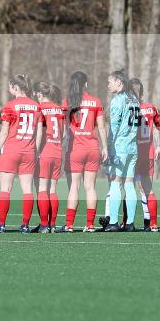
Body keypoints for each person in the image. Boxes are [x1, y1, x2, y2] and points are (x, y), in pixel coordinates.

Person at [57, 71, 107, 233]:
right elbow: (101, 127)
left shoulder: (67, 102)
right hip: (92, 149)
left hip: (74, 150)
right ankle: (90, 224)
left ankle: (69, 225)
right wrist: (105, 147)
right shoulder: (96, 101)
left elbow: (62, 129)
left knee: (73, 188)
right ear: (86, 84)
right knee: (90, 187)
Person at [0, 74, 40, 233]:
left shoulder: (10, 106)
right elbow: (38, 131)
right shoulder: (36, 106)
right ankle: (25, 225)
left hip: (12, 150)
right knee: (27, 189)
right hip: (29, 151)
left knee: (5, 188)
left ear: (15, 87)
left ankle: (1, 225)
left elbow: (4, 130)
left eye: (10, 86)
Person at [104, 70, 141, 232]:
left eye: (110, 81)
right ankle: (130, 223)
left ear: (119, 82)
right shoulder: (135, 100)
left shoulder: (118, 100)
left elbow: (114, 126)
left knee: (115, 182)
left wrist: (108, 147)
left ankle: (113, 221)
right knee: (129, 183)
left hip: (120, 147)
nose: (108, 84)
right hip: (133, 146)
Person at [130, 78, 160, 232]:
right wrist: (158, 146)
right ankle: (152, 223)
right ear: (142, 91)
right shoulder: (151, 107)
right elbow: (157, 128)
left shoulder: (129, 108)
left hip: (133, 153)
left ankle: (126, 222)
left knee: (128, 187)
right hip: (148, 152)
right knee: (148, 189)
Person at [34, 82, 65, 233]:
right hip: (58, 151)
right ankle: (52, 225)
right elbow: (64, 134)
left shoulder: (40, 108)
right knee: (52, 189)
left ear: (40, 94)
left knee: (42, 189)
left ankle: (44, 224)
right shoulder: (59, 109)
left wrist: (36, 151)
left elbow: (40, 133)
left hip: (45, 152)